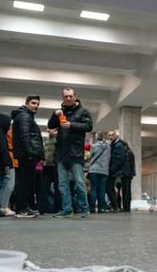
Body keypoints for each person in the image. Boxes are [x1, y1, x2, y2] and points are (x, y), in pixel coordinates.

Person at [47, 87, 93, 218]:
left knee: (79, 182)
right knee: (62, 183)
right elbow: (50, 126)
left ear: (75, 96)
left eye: (70, 96)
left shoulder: (83, 111)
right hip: (61, 153)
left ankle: (85, 209)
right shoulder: (60, 112)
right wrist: (54, 115)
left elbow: (89, 126)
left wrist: (71, 125)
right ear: (62, 97)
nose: (68, 98)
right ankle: (67, 209)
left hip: (76, 153)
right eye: (65, 96)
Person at [11, 95, 45, 218]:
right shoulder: (25, 116)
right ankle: (22, 209)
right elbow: (25, 136)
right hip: (27, 154)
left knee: (24, 182)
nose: (36, 106)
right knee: (24, 182)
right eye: (33, 103)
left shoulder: (25, 116)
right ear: (26, 103)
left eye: (37, 104)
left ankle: (23, 207)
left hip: (25, 154)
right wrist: (30, 152)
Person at [106, 130, 134, 212]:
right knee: (126, 190)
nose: (110, 137)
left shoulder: (118, 145)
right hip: (125, 171)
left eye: (112, 135)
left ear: (116, 135)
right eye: (109, 135)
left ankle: (126, 208)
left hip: (123, 171)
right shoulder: (118, 144)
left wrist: (112, 169)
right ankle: (125, 207)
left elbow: (119, 159)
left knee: (126, 190)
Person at [88, 132, 110, 213]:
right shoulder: (108, 147)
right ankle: (101, 208)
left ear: (97, 137)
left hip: (94, 170)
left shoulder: (93, 146)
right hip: (104, 171)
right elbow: (109, 159)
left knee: (93, 189)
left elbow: (91, 157)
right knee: (102, 190)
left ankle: (92, 208)